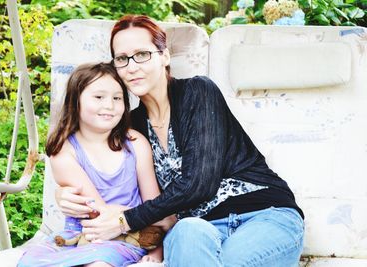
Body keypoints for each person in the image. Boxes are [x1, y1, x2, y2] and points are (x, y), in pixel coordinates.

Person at [56, 15, 305, 267]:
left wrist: (125, 221)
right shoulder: (128, 127)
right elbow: (106, 173)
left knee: (230, 262)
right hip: (195, 229)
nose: (132, 67)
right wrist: (64, 192)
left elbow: (199, 183)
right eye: (122, 58)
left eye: (142, 54)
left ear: (164, 56)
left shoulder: (199, 92)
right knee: (187, 232)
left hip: (262, 214)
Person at [18, 62, 165, 267]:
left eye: (117, 98)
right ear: (75, 102)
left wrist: (157, 252)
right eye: (98, 97)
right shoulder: (65, 151)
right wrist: (131, 211)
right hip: (81, 235)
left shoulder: (135, 143)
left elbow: (157, 209)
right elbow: (99, 213)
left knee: (98, 264)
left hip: (127, 235)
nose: (109, 105)